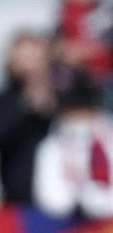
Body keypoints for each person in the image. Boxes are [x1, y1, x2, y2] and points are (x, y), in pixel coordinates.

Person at [0, 31, 58, 206]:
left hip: (59, 202)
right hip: (17, 198)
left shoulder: (62, 98)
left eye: (34, 57)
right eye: (23, 58)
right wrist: (28, 109)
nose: (29, 65)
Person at [32, 73, 113, 221]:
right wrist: (79, 195)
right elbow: (53, 202)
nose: (78, 117)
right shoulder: (51, 147)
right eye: (72, 112)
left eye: (83, 110)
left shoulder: (108, 140)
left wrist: (97, 199)